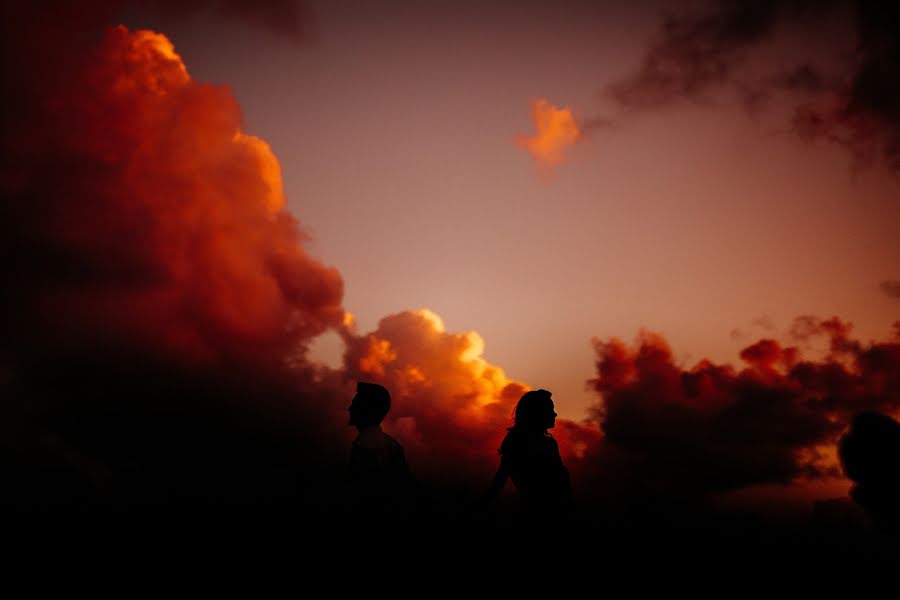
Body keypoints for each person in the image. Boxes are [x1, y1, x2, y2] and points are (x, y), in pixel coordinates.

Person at [485, 389, 572, 524]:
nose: (554, 414)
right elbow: (501, 477)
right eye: (550, 409)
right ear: (537, 413)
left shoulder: (549, 443)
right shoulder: (517, 441)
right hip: (535, 515)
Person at [346, 381, 414, 521]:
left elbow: (363, 498)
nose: (349, 408)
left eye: (355, 403)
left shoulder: (365, 448)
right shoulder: (392, 445)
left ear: (366, 409)